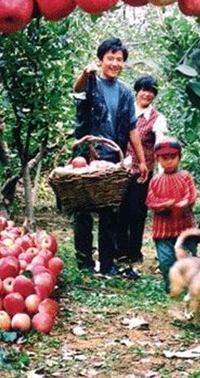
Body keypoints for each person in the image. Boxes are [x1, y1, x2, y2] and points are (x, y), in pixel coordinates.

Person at [72, 38, 148, 276]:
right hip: (86, 154)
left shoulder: (125, 93)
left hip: (113, 155)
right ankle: (84, 261)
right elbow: (77, 89)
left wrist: (141, 159)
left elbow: (132, 128)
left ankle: (108, 263)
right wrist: (85, 73)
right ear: (101, 60)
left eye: (119, 59)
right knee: (82, 208)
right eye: (110, 58)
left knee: (110, 211)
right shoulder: (91, 82)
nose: (115, 63)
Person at [116, 75, 167, 270]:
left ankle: (134, 252)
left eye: (151, 91)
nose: (147, 94)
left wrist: (162, 175)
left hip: (142, 172)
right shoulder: (126, 112)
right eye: (143, 90)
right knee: (120, 210)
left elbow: (160, 145)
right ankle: (119, 251)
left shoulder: (157, 118)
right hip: (121, 171)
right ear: (136, 91)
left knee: (137, 212)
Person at [145, 137, 198, 292]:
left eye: (172, 157)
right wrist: (163, 205)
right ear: (157, 160)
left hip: (185, 228)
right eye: (164, 158)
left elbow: (191, 194)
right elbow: (150, 200)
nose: (169, 161)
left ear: (179, 158)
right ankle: (172, 288)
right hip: (163, 231)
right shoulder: (155, 180)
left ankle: (191, 288)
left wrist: (186, 202)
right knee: (167, 261)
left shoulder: (185, 176)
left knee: (189, 260)